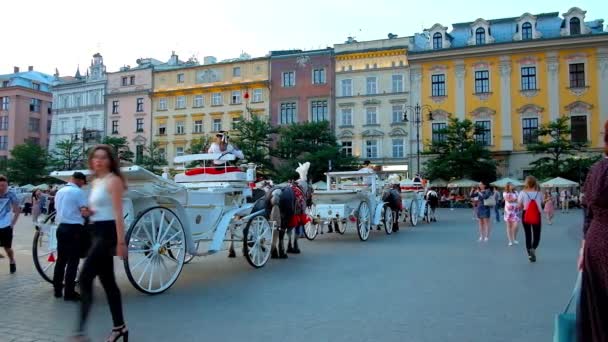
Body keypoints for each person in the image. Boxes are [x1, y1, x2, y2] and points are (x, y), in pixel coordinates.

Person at [74, 145, 128, 342]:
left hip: (107, 234)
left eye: (103, 157)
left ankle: (80, 333)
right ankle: (120, 328)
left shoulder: (113, 181)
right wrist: (89, 211)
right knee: (109, 283)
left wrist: (121, 242)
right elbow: (100, 208)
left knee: (85, 277)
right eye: (95, 157)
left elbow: (117, 213)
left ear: (110, 160)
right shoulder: (96, 181)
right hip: (95, 231)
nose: (98, 161)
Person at [577, 120, 608, 342]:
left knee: (598, 307)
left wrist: (583, 246)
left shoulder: (596, 169)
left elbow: (587, 211)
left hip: (596, 241)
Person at [53, 172, 89, 301]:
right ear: (79, 181)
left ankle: (57, 290)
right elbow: (84, 211)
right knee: (73, 261)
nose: (83, 185)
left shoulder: (60, 191)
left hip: (61, 228)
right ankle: (69, 293)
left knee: (61, 260)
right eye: (83, 183)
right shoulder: (78, 192)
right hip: (74, 229)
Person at [518, 176, 543, 262]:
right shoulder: (539, 193)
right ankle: (533, 248)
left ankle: (529, 255)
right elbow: (541, 202)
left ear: (526, 183)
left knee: (528, 234)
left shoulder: (522, 193)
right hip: (536, 214)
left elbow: (519, 205)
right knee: (537, 235)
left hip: (526, 213)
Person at [0, 175, 21, 273]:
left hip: (6, 225)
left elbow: (17, 210)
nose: (2, 188)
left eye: (4, 186)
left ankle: (12, 260)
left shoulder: (11, 195)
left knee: (7, 248)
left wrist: (13, 223)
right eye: (0, 186)